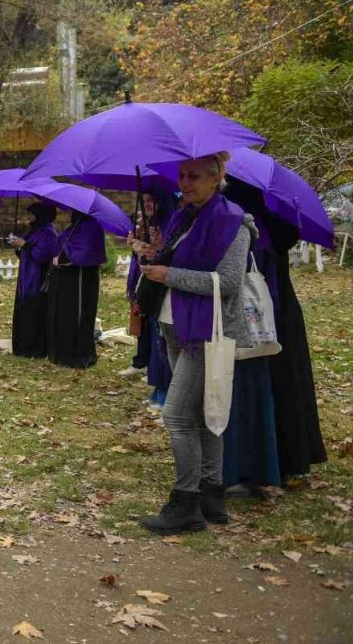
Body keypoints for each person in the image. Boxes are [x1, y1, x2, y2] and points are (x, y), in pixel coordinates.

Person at [134, 153, 250, 535]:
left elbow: (228, 283)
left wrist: (170, 273)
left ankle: (186, 503)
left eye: (195, 176)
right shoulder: (183, 217)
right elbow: (174, 264)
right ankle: (210, 495)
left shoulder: (234, 222)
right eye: (182, 175)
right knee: (201, 415)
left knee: (177, 416)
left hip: (208, 329)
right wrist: (153, 254)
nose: (185, 182)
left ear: (216, 179)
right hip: (174, 325)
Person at [223, 187, 326, 483]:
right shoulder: (272, 219)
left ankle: (269, 461)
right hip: (278, 312)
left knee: (269, 385)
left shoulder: (249, 228)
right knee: (287, 383)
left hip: (258, 314)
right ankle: (292, 457)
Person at [220, 181, 286, 496]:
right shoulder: (255, 228)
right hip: (254, 330)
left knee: (240, 401)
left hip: (242, 329)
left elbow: (231, 280)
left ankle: (238, 471)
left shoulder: (240, 230)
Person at [123, 190, 177, 409]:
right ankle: (158, 387)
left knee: (163, 341)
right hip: (147, 285)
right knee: (154, 338)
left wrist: (150, 248)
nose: (146, 205)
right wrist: (138, 246)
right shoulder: (147, 225)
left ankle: (167, 392)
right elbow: (145, 260)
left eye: (151, 200)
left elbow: (164, 255)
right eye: (143, 201)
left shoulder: (169, 223)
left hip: (164, 288)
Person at [45, 209, 107, 368]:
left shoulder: (91, 227)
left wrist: (65, 258)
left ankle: (77, 355)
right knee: (65, 315)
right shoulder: (75, 227)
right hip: (67, 280)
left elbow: (84, 252)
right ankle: (63, 353)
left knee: (79, 316)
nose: (69, 214)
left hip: (81, 279)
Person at [9, 201, 59, 358]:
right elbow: (25, 252)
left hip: (37, 279)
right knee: (24, 311)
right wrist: (19, 246)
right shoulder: (34, 230)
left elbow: (41, 255)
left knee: (34, 312)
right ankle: (22, 347)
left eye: (32, 214)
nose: (29, 217)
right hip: (26, 277)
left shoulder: (48, 232)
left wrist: (24, 245)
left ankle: (33, 348)